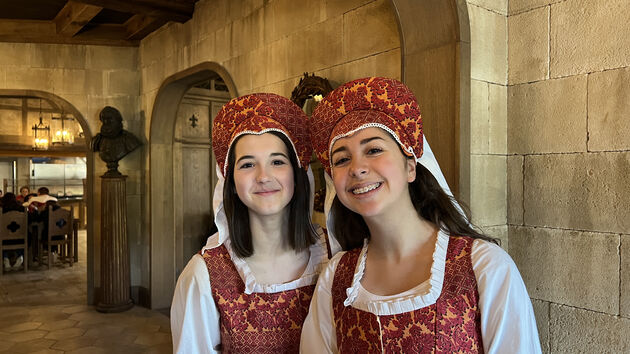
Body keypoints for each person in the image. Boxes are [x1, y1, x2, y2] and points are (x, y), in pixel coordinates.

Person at [301, 77, 541, 353]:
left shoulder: (484, 267)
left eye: (374, 150)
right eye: (342, 159)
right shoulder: (336, 278)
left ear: (410, 166)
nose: (357, 168)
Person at [171, 93, 333, 353]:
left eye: (277, 162)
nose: (263, 176)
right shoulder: (204, 276)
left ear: (296, 173)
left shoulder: (336, 257)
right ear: (231, 182)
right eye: (247, 164)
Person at [1, 193, 26, 271]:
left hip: (4, 239)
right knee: (29, 235)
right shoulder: (22, 208)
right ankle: (20, 256)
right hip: (21, 238)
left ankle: (5, 258)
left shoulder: (2, 209)